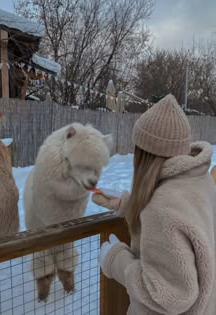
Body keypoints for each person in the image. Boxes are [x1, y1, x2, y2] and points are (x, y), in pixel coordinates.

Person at [92, 94, 216, 315]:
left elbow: (171, 297)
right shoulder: (200, 179)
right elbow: (182, 219)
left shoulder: (161, 208)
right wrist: (127, 204)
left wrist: (116, 260)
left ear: (143, 154)